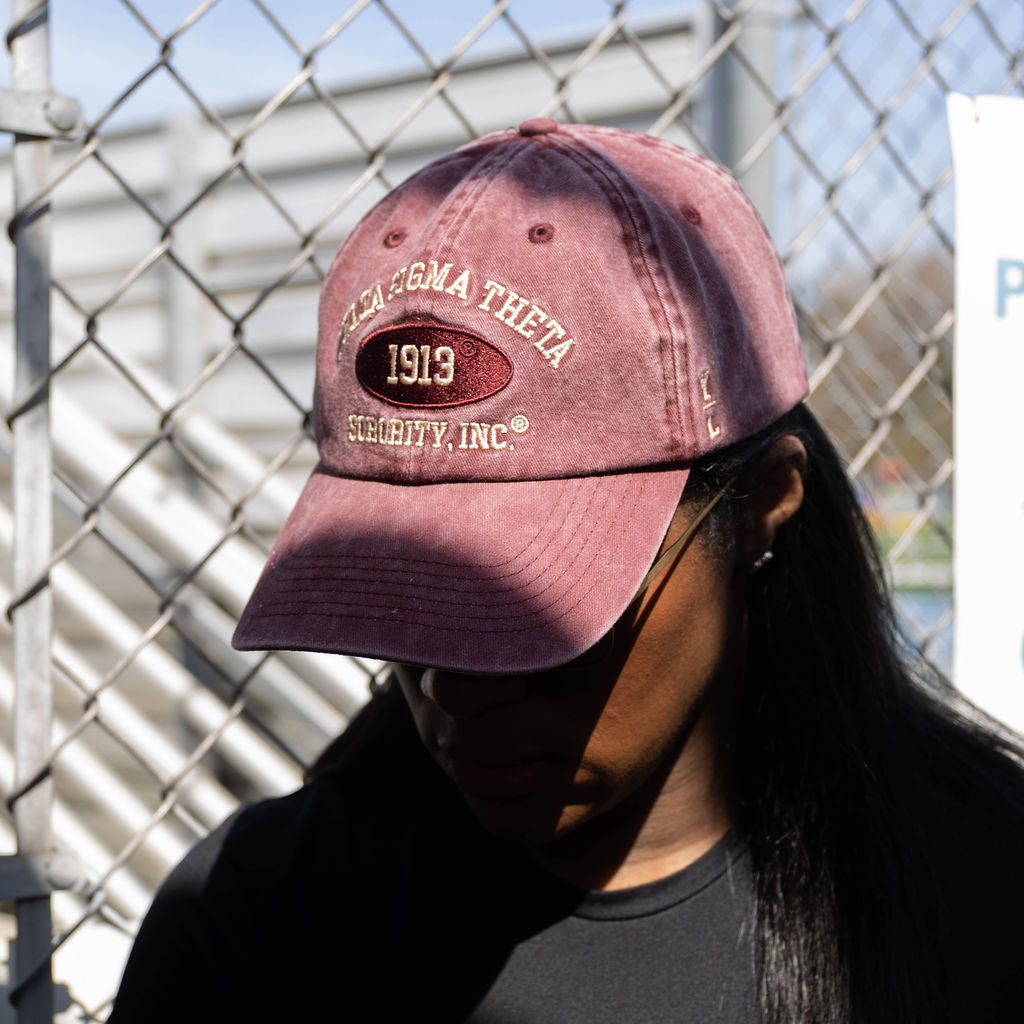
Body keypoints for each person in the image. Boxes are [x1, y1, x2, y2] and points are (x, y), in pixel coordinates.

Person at [109, 120, 1024, 1023]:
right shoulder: (252, 918)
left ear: (762, 506)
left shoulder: (986, 889)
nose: (452, 693)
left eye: (539, 612)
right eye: (405, 602)